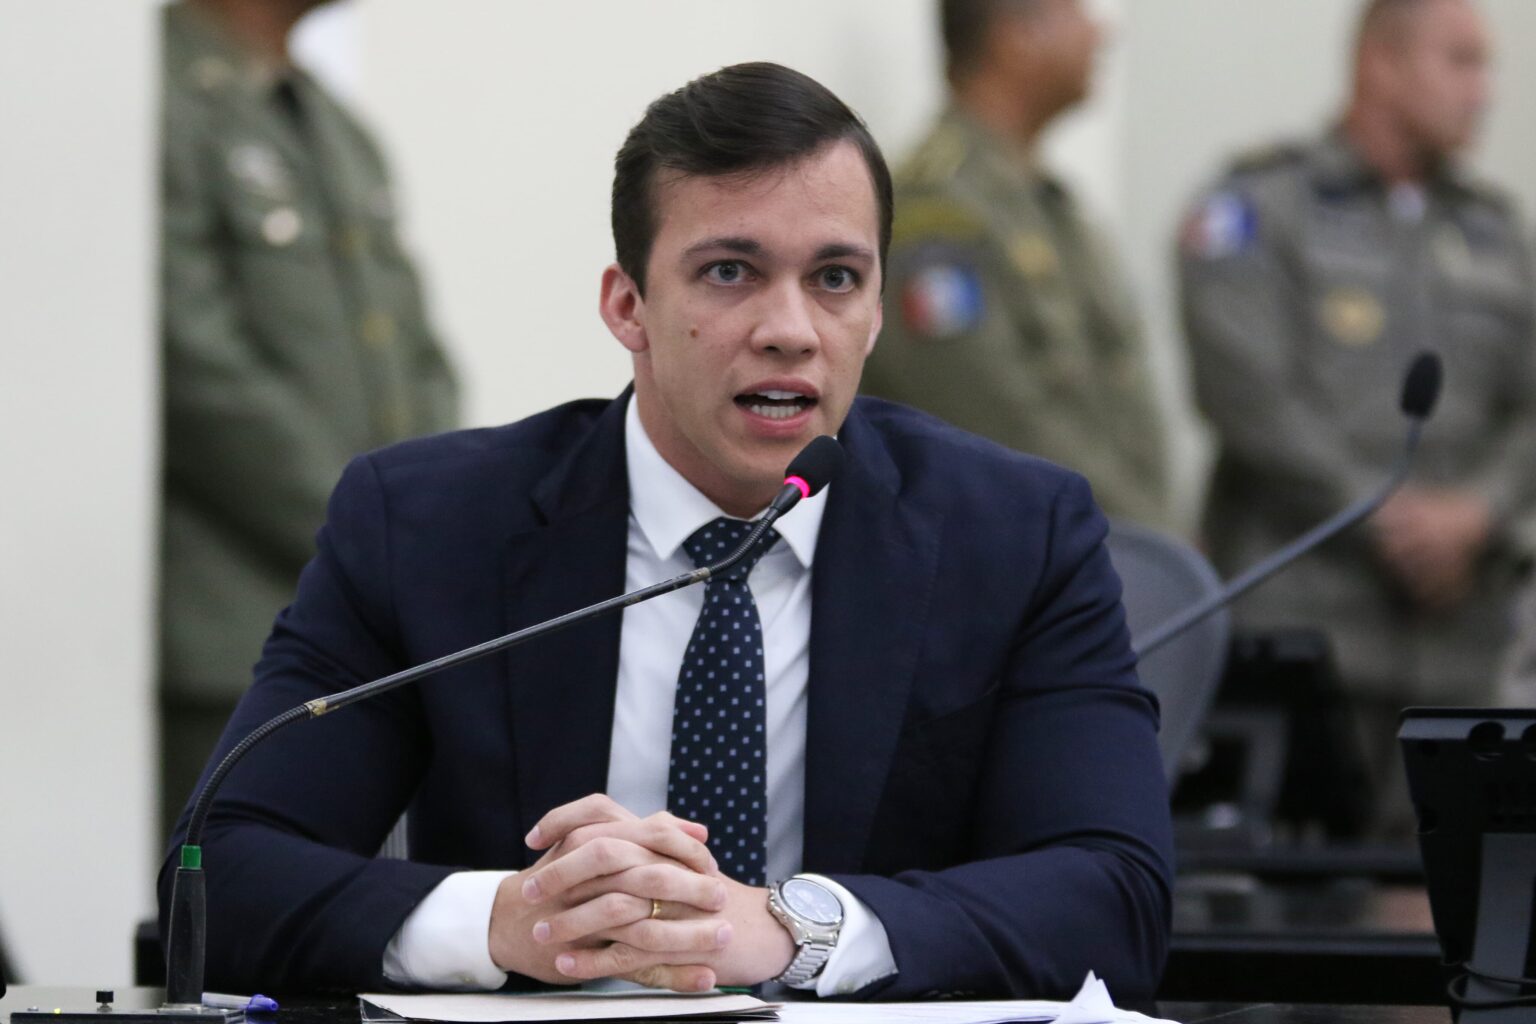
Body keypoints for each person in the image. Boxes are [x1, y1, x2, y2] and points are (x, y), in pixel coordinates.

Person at [161, 62, 1172, 1001]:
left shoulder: (1017, 533)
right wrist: (508, 919)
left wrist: (788, 927)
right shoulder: (426, 525)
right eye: (730, 272)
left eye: (835, 278)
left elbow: (1115, 897)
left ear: (873, 311)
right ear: (628, 306)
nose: (790, 330)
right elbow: (222, 872)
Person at [1179, 0, 1536, 834]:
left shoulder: (1495, 230)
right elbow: (1245, 395)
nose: (1484, 91)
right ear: (1381, 64)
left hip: (1459, 649)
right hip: (1305, 640)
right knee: (1288, 897)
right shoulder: (1261, 207)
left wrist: (1475, 513)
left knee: (1448, 897)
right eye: (1461, 62)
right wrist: (1385, 516)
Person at [159, 0, 458, 836]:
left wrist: (441, 513)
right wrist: (373, 532)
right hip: (238, 629)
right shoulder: (159, 100)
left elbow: (415, 349)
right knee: (234, 900)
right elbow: (194, 365)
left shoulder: (330, 121)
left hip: (374, 631)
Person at [861, 0, 1173, 531]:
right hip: (1007, 553)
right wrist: (1147, 535)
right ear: (1017, 37)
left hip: (1103, 547)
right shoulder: (938, 210)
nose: (1101, 31)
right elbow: (991, 421)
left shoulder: (1049, 205)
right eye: (1077, 11)